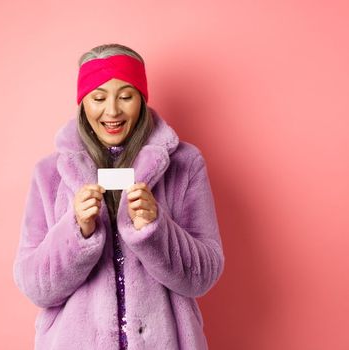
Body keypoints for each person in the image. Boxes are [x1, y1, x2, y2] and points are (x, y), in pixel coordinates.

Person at [12, 43, 225, 349]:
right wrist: (76, 232)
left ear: (141, 98)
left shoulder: (185, 165)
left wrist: (155, 228)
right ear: (83, 102)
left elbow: (203, 276)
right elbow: (35, 286)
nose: (112, 111)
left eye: (126, 96)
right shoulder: (50, 174)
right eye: (99, 98)